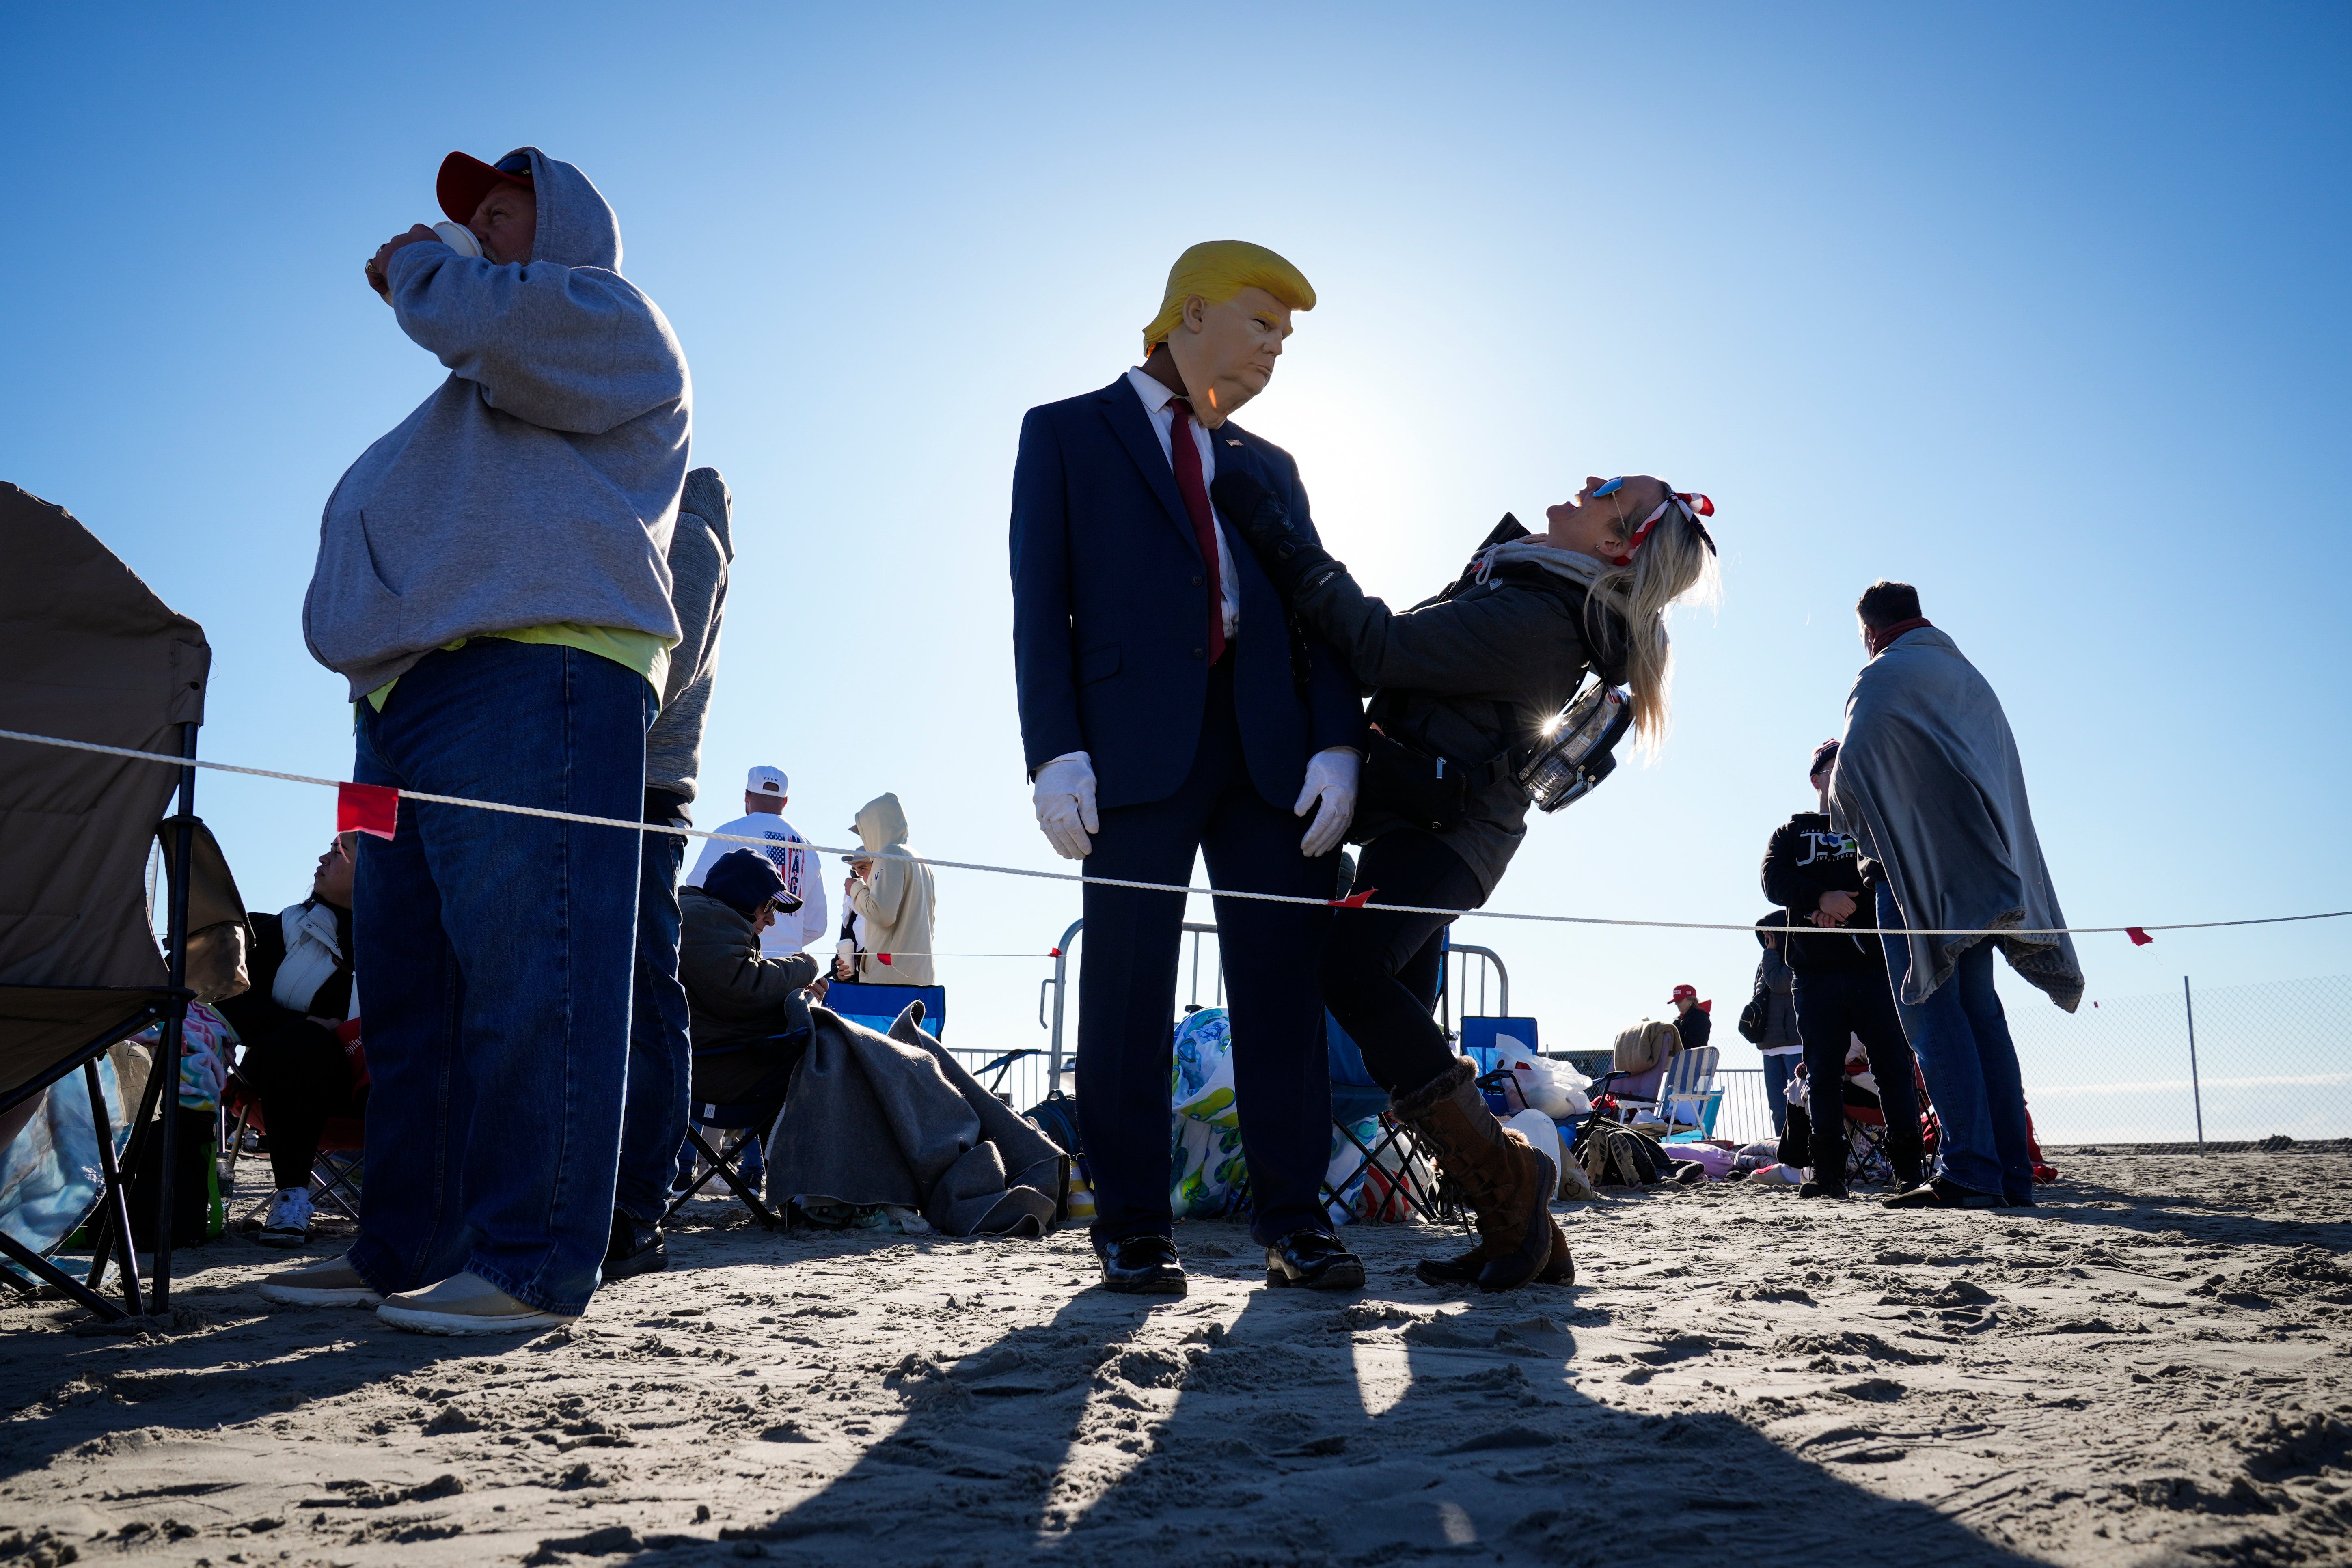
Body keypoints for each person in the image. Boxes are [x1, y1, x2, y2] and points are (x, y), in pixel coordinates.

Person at [268, 145, 692, 1335]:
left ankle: (529, 1263)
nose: (474, 230)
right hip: (390, 710)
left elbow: (482, 321)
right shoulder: (464, 399)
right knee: (405, 985)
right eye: (470, 220)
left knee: (532, 970)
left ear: (563, 236)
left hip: (534, 672)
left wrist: (416, 268)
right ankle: (404, 1243)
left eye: (501, 214)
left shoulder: (613, 326)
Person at [1210, 469, 1717, 1291]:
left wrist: (1280, 536)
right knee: (1392, 1035)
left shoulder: (1538, 619)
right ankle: (1522, 1232)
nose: (1589, 481)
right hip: (1423, 824)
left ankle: (1510, 1185)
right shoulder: (1526, 585)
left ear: (1616, 540)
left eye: (1611, 485)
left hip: (1443, 836)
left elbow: (1381, 646)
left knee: (1349, 970)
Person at [1010, 241, 1368, 1296]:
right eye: (1263, 326)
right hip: (1126, 750)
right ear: (1192, 314)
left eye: (1286, 339)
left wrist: (1338, 741)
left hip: (1272, 756)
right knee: (1124, 987)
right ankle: (1130, 1224)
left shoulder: (1273, 465)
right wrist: (1052, 749)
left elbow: (1321, 613)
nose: (1274, 351)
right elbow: (1042, 605)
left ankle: (1296, 1222)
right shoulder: (1065, 433)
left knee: (1280, 990)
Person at [1830, 582, 2082, 1209]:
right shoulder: (1967, 676)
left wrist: (1860, 825)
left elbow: (1851, 774)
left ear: (1867, 630)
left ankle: (1970, 1167)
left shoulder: (1882, 675)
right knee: (1980, 1014)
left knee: (1931, 1012)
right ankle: (2010, 1175)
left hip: (1917, 874)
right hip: (1982, 871)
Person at [608, 467, 734, 1281]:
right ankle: (618, 1208)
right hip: (623, 787)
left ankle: (633, 1214)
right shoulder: (669, 526)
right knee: (629, 1002)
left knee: (648, 1003)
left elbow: (665, 662)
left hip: (638, 790)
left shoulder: (687, 528)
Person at [1761, 738, 1925, 1197]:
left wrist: (1839, 904)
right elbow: (1772, 880)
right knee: (1821, 1072)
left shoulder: (1877, 827)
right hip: (1813, 974)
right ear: (1817, 777)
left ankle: (1909, 1172)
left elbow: (1895, 880)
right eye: (1838, 767)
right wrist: (1818, 901)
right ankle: (1828, 1175)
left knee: (1893, 1067)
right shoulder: (1790, 833)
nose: (1847, 773)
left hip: (1875, 968)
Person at [216, 834, 362, 1248]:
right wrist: (310, 1023)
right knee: (303, 1040)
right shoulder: (281, 928)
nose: (322, 857)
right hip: (288, 1084)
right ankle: (292, 1198)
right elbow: (229, 1001)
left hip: (380, 1085)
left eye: (338, 852)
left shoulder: (412, 938)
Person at [679, 850, 824, 1104]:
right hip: (713, 1066)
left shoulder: (709, 920)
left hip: (713, 1058)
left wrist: (802, 997)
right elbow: (745, 989)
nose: (771, 920)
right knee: (824, 1057)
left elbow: (736, 993)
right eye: (768, 905)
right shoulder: (705, 919)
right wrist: (806, 966)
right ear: (741, 893)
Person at [684, 765, 829, 957]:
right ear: (785, 802)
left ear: (747, 796)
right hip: (790, 969)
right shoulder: (808, 848)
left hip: (738, 960)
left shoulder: (730, 833)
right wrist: (782, 945)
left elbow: (697, 893)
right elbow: (816, 926)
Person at [840, 793, 935, 986]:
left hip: (890, 978)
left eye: (865, 833)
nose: (865, 840)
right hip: (921, 978)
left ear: (875, 829)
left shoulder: (889, 854)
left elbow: (883, 915)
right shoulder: (922, 862)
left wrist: (856, 888)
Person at [1744, 917, 1804, 1136]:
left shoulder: (1794, 957)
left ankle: (1805, 1156)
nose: (1767, 941)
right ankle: (1783, 1149)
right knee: (1778, 1109)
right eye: (1765, 936)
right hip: (1769, 1047)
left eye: (1771, 935)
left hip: (1794, 1046)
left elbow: (1780, 983)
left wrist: (1770, 954)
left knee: (1800, 1104)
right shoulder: (1766, 962)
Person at [1668, 984, 1713, 1053]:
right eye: (1676, 1001)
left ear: (1691, 1000)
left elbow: (1694, 1045)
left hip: (1690, 1061)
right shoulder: (1679, 1020)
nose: (1677, 1004)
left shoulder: (1700, 1017)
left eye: (1679, 1000)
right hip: (1682, 1059)